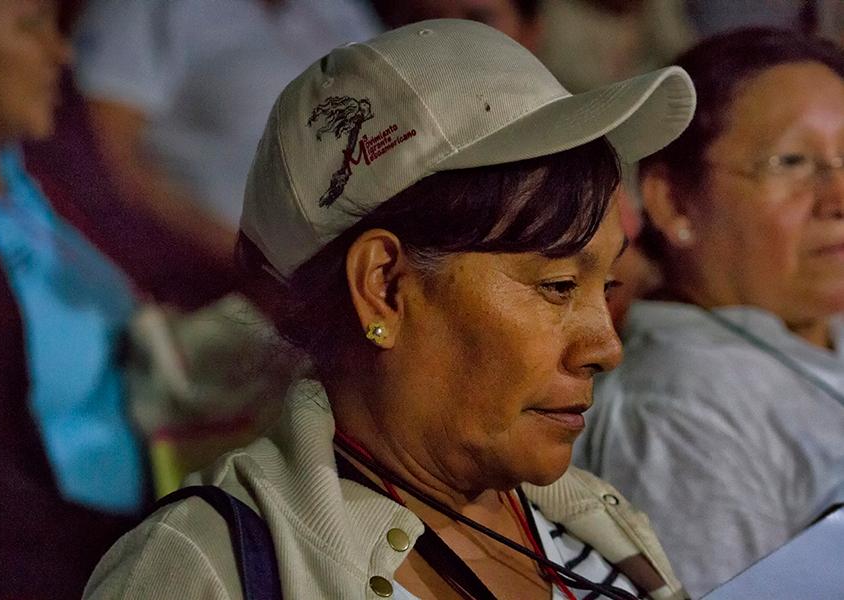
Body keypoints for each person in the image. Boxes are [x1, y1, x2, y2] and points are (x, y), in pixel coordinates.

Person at [83, 19, 696, 600]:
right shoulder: (207, 571)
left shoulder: (600, 522)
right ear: (383, 286)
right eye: (559, 286)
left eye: (607, 286)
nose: (606, 348)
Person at [574, 28, 844, 598]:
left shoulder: (817, 329)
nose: (837, 197)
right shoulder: (686, 409)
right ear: (673, 201)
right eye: (792, 161)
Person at [70, 0, 543, 286]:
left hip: (361, 278)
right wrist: (256, 267)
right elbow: (110, 168)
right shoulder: (148, 9)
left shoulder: (341, 13)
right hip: (219, 294)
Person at [0, 1, 149, 596]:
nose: (62, 53)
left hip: (122, 532)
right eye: (31, 26)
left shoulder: (29, 177)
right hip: (50, 565)